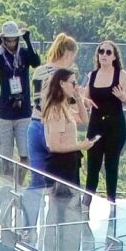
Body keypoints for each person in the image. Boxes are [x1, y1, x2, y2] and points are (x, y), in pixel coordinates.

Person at [84, 40, 126, 202]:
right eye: (101, 51)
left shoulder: (121, 74)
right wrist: (84, 101)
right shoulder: (92, 75)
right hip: (95, 125)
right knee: (93, 165)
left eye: (108, 52)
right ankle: (86, 202)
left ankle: (111, 201)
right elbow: (85, 97)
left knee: (111, 165)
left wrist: (123, 97)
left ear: (114, 57)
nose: (104, 55)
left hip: (115, 126)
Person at [0, 22, 38, 171]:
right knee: (6, 157)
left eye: (14, 40)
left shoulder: (23, 53)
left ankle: (19, 186)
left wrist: (28, 40)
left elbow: (36, 62)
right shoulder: (1, 56)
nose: (11, 43)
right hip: (5, 113)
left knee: (25, 154)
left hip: (23, 112)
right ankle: (7, 186)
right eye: (8, 40)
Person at [37, 66, 88, 194]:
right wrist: (79, 145)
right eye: (73, 83)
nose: (75, 86)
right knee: (62, 206)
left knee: (69, 205)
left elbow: (84, 119)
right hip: (61, 165)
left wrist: (78, 98)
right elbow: (54, 146)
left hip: (69, 163)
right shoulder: (57, 110)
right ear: (62, 83)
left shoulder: (65, 106)